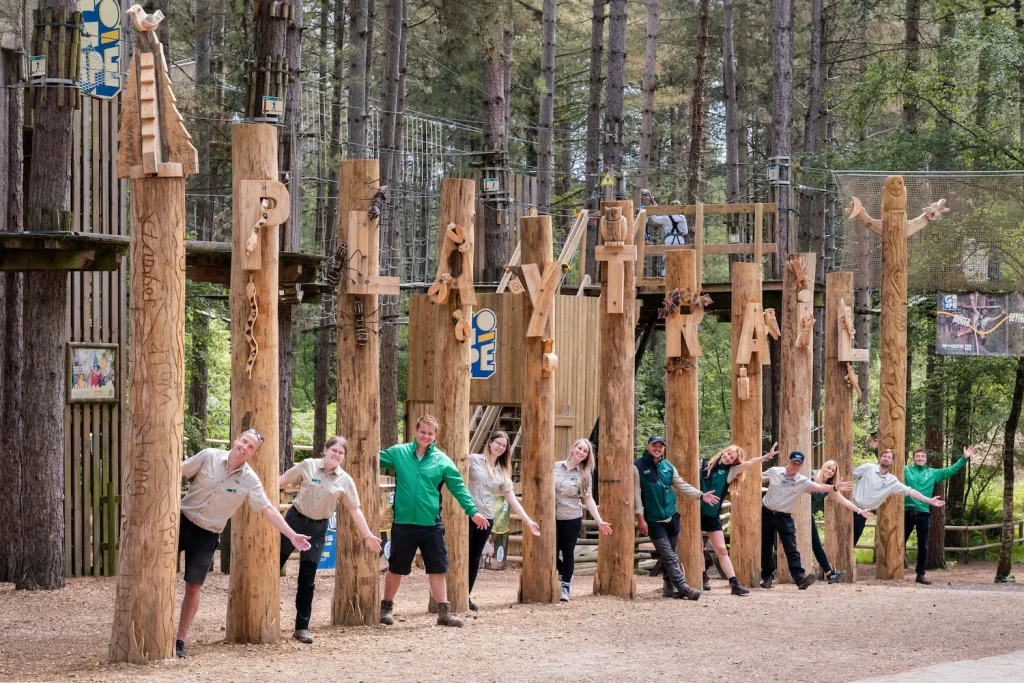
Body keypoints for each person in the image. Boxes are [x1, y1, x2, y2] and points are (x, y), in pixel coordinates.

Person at [175, 428, 312, 658]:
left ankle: (179, 640)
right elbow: (177, 471)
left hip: (207, 533)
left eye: (251, 447)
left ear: (253, 454)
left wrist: (291, 535)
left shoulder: (249, 479)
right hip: (179, 521)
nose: (244, 447)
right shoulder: (209, 455)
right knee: (159, 573)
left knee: (193, 586)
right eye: (244, 441)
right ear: (237, 438)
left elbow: (268, 508)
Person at [378, 415, 489, 628]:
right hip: (403, 523)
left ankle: (444, 613)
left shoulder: (442, 460)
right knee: (397, 567)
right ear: (416, 432)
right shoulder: (399, 453)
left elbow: (458, 487)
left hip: (431, 524)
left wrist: (472, 512)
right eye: (422, 432)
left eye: (430, 433)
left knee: (437, 568)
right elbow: (370, 459)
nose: (426, 436)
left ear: (435, 435)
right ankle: (386, 608)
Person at [278, 435, 382, 643]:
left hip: (317, 530)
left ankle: (301, 628)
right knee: (273, 568)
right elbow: (279, 482)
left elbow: (355, 510)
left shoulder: (345, 480)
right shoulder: (307, 466)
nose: (336, 455)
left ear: (344, 457)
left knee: (307, 580)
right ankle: (266, 619)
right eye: (333, 450)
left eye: (341, 453)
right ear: (325, 450)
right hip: (293, 522)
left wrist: (367, 534)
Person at [633, 435, 717, 600]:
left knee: (669, 554)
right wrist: (640, 518)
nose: (657, 448)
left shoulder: (668, 466)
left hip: (671, 516)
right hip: (653, 519)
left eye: (661, 446)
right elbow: (636, 493)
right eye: (654, 445)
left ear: (664, 448)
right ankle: (683, 587)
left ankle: (669, 587)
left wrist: (700, 495)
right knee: (670, 556)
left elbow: (681, 484)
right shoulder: (638, 466)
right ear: (647, 446)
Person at [467, 431, 540, 611]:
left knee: (474, 557)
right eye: (498, 443)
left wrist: (528, 520)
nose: (500, 447)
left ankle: (465, 594)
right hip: (466, 514)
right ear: (490, 442)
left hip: (485, 518)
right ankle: (447, 594)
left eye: (504, 446)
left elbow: (512, 499)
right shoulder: (472, 460)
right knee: (460, 554)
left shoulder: (502, 471)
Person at [760, 451, 853, 590]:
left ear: (801, 466)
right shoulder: (774, 472)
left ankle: (800, 578)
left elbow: (819, 487)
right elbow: (756, 478)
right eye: (794, 462)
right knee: (766, 547)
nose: (796, 466)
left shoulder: (801, 480)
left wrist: (834, 487)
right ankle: (767, 577)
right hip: (767, 513)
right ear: (788, 460)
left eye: (799, 464)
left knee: (791, 548)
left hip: (784, 516)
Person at [698, 442, 778, 595]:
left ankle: (734, 582)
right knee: (698, 546)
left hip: (711, 515)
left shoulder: (730, 472)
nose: (728, 458)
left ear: (734, 462)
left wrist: (766, 457)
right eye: (727, 454)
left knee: (721, 549)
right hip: (695, 512)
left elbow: (749, 463)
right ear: (723, 452)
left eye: (732, 458)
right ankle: (702, 577)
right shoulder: (704, 464)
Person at [851, 448, 946, 548]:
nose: (886, 459)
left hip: (862, 514)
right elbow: (849, 475)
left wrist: (929, 500)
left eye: (889, 457)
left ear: (892, 461)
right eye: (884, 456)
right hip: (848, 507)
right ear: (880, 458)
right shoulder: (868, 468)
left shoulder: (891, 481)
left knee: (851, 543)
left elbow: (911, 491)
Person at [555, 438, 613, 601]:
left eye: (585, 451)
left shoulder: (584, 475)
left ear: (587, 456)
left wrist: (599, 520)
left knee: (567, 552)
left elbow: (588, 499)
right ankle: (563, 572)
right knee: (551, 552)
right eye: (579, 448)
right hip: (552, 517)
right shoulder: (555, 467)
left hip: (571, 517)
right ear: (573, 448)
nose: (581, 452)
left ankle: (566, 585)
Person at [903, 447, 970, 584]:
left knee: (923, 546)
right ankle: (894, 571)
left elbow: (951, 470)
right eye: (917, 456)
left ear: (926, 459)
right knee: (898, 543)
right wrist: (876, 451)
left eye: (922, 456)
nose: (920, 458)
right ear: (913, 458)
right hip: (907, 512)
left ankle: (920, 575)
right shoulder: (906, 470)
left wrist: (964, 458)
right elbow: (888, 462)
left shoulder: (933, 473)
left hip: (924, 513)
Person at [810, 460, 874, 584]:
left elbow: (844, 501)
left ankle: (830, 574)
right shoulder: (811, 475)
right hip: (791, 512)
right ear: (824, 466)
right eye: (828, 468)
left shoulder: (830, 487)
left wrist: (860, 511)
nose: (829, 471)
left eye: (833, 470)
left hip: (808, 516)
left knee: (816, 544)